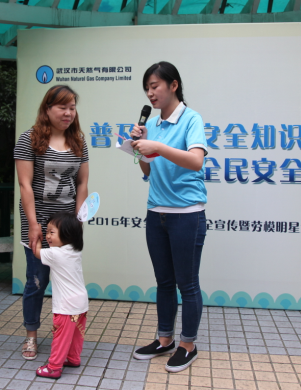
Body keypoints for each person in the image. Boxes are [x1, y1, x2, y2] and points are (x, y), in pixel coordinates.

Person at [129, 61, 208, 373]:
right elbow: (147, 169)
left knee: (187, 284)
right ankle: (165, 340)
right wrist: (138, 148)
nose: (150, 93)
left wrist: (157, 146)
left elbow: (196, 161)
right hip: (156, 213)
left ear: (173, 85)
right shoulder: (153, 124)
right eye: (147, 88)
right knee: (163, 282)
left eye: (155, 86)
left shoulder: (192, 119)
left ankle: (188, 345)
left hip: (186, 215)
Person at [14, 85, 89, 360]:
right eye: (62, 107)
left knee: (68, 282)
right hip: (39, 223)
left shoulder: (78, 141)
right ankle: (31, 336)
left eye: (72, 108)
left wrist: (79, 220)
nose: (68, 113)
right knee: (37, 281)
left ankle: (66, 333)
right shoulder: (29, 139)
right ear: (47, 109)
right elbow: (25, 185)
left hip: (67, 227)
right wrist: (34, 224)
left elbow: (82, 184)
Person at [32, 212, 88, 379]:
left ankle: (54, 367)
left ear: (67, 234)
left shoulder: (55, 254)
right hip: (81, 303)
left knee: (61, 337)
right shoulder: (75, 250)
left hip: (66, 306)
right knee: (76, 335)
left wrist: (37, 235)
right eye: (46, 232)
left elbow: (36, 252)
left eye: (52, 232)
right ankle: (73, 358)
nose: (48, 236)